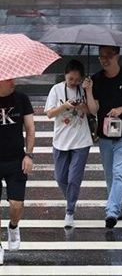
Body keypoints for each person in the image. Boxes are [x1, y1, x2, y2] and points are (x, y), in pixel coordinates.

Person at [83, 45, 122, 229]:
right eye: (101, 56)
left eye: (108, 56)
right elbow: (94, 109)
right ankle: (118, 207)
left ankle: (111, 211)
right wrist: (88, 90)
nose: (104, 59)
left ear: (117, 56)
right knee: (110, 176)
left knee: (119, 174)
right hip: (105, 137)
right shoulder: (96, 80)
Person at [44, 60, 92, 228]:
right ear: (65, 75)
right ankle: (72, 198)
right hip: (61, 140)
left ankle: (70, 211)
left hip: (81, 140)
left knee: (73, 179)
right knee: (60, 178)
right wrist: (64, 106)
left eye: (77, 79)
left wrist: (83, 100)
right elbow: (49, 114)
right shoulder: (56, 90)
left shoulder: (84, 89)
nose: (73, 82)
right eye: (71, 79)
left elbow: (92, 111)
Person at [0, 78, 35, 265]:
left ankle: (13, 227)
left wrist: (28, 155)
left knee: (16, 204)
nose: (13, 82)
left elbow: (30, 128)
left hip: (15, 160)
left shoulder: (22, 98)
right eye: (8, 80)